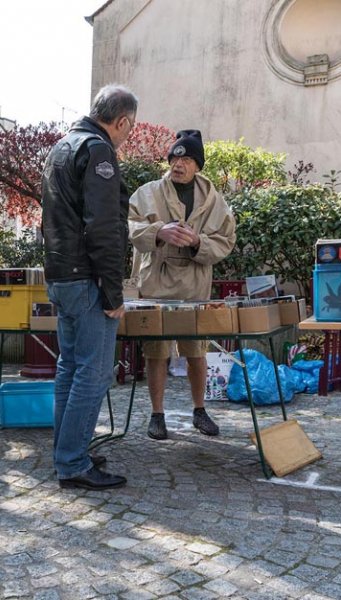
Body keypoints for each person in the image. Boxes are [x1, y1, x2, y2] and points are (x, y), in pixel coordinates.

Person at [41, 84, 137, 491]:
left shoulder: (62, 146)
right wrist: (114, 293)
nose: (127, 136)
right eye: (128, 130)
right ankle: (72, 461)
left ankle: (67, 452)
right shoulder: (98, 151)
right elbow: (103, 227)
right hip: (86, 278)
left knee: (70, 368)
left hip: (61, 274)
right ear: (122, 121)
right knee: (94, 374)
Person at [128, 129, 237, 440]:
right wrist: (159, 231)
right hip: (156, 286)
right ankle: (157, 415)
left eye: (187, 158)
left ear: (197, 165)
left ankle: (200, 410)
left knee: (196, 351)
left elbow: (227, 240)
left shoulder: (214, 200)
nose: (179, 163)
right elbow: (129, 224)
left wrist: (198, 241)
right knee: (156, 351)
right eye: (175, 156)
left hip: (194, 287)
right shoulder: (147, 193)